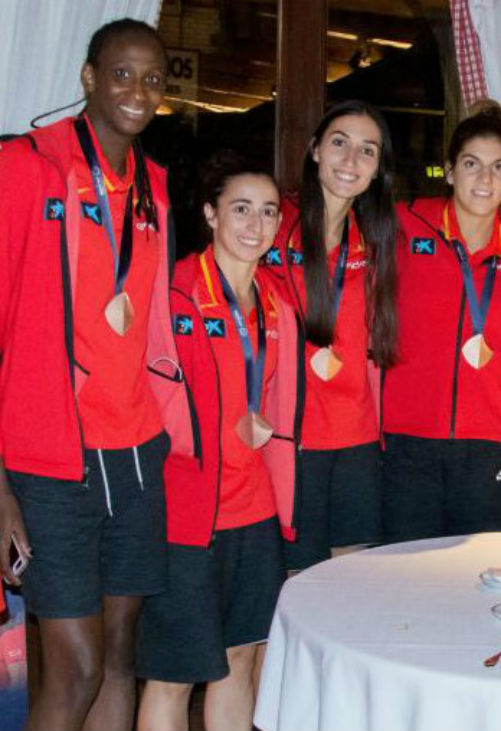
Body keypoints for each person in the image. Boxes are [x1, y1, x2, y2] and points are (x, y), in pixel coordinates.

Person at [0, 18, 172, 729]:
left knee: (122, 653)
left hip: (135, 453)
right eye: (122, 74)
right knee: (75, 669)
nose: (138, 91)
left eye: (153, 79)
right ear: (89, 78)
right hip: (51, 462)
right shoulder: (25, 167)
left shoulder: (154, 188)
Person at [136, 153, 298, 731]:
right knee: (173, 676)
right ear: (210, 213)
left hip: (255, 512)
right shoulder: (174, 292)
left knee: (239, 661)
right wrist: (205, 432)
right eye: (241, 209)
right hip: (187, 516)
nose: (256, 224)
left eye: (269, 212)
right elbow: (147, 394)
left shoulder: (276, 304)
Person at [382, 101, 501, 540]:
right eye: (471, 164)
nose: (485, 179)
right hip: (408, 435)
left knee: (477, 568)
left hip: (487, 439)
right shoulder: (406, 224)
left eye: (498, 167)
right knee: (406, 568)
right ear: (450, 172)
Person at [262, 100, 398, 570]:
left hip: (357, 436)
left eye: (367, 151)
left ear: (377, 170)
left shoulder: (376, 239)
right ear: (316, 150)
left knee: (350, 576)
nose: (351, 160)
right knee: (295, 578)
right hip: (290, 437)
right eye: (340, 143)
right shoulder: (272, 223)